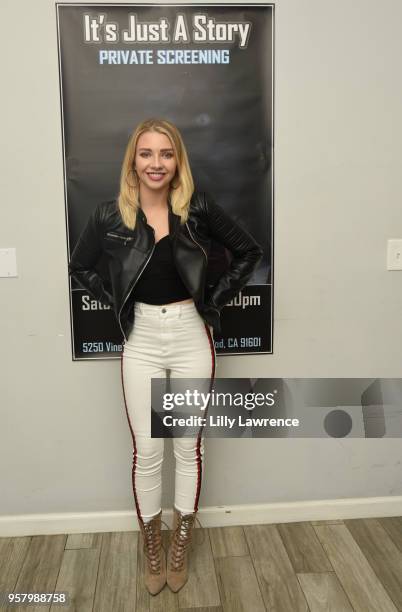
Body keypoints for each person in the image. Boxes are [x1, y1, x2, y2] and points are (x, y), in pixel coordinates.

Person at [68, 118, 263, 596]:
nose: (156, 163)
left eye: (166, 154)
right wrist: (118, 302)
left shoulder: (195, 208)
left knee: (186, 447)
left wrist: (213, 301)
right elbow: (79, 266)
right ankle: (152, 542)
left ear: (178, 161)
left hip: (190, 335)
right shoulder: (109, 215)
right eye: (147, 153)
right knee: (148, 450)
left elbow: (247, 251)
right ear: (132, 160)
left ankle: (181, 540)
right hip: (142, 341)